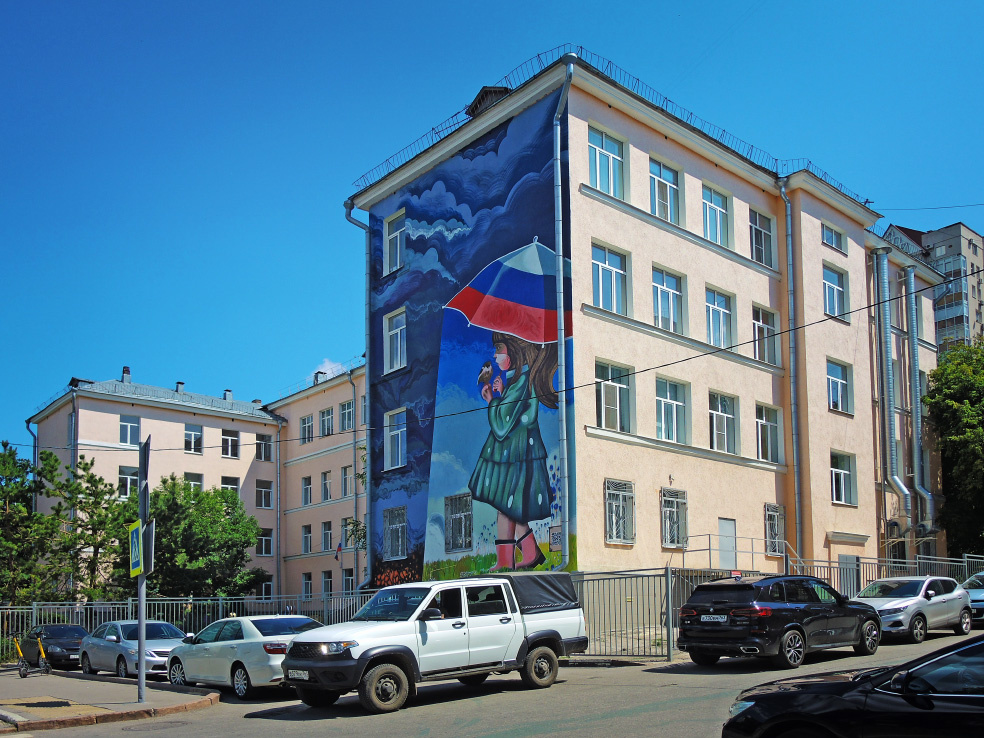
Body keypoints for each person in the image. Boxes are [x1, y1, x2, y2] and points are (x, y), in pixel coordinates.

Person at [470, 331, 555, 571]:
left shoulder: (521, 383)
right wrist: (501, 393)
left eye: (499, 350)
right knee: (510, 507)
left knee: (507, 507)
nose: (495, 356)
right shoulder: (521, 380)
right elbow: (514, 413)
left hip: (516, 454)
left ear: (514, 353)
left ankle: (509, 559)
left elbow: (502, 424)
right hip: (518, 453)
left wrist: (491, 400)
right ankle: (527, 554)